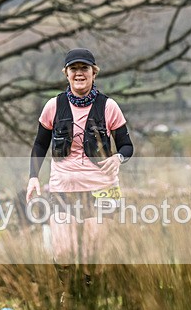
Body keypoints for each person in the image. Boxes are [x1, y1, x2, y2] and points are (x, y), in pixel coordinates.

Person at [26, 48, 133, 270]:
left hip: (101, 188)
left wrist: (118, 158)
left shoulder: (108, 106)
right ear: (66, 73)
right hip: (63, 188)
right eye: (73, 68)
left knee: (91, 252)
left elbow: (126, 144)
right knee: (64, 250)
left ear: (94, 73)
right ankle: (70, 296)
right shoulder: (53, 106)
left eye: (84, 68)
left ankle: (86, 298)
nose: (79, 73)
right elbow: (40, 144)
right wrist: (33, 177)